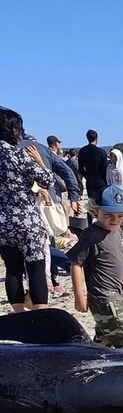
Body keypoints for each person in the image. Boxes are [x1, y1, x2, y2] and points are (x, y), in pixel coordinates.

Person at [66, 183, 123, 348]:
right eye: (109, 215)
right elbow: (76, 263)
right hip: (104, 299)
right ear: (96, 210)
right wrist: (79, 296)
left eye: (120, 216)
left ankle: (96, 363)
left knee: (104, 340)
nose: (115, 220)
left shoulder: (116, 231)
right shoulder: (90, 235)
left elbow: (117, 261)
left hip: (116, 294)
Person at [0, 106, 52, 312]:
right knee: (35, 268)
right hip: (26, 220)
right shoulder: (18, 155)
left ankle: (19, 314)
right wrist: (40, 161)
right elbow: (47, 180)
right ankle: (40, 315)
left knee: (12, 268)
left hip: (2, 222)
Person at [77, 129, 110, 205]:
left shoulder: (82, 151)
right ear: (96, 138)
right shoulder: (101, 152)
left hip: (90, 179)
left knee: (91, 203)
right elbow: (105, 168)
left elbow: (81, 168)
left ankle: (91, 216)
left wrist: (86, 176)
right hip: (101, 179)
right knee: (102, 202)